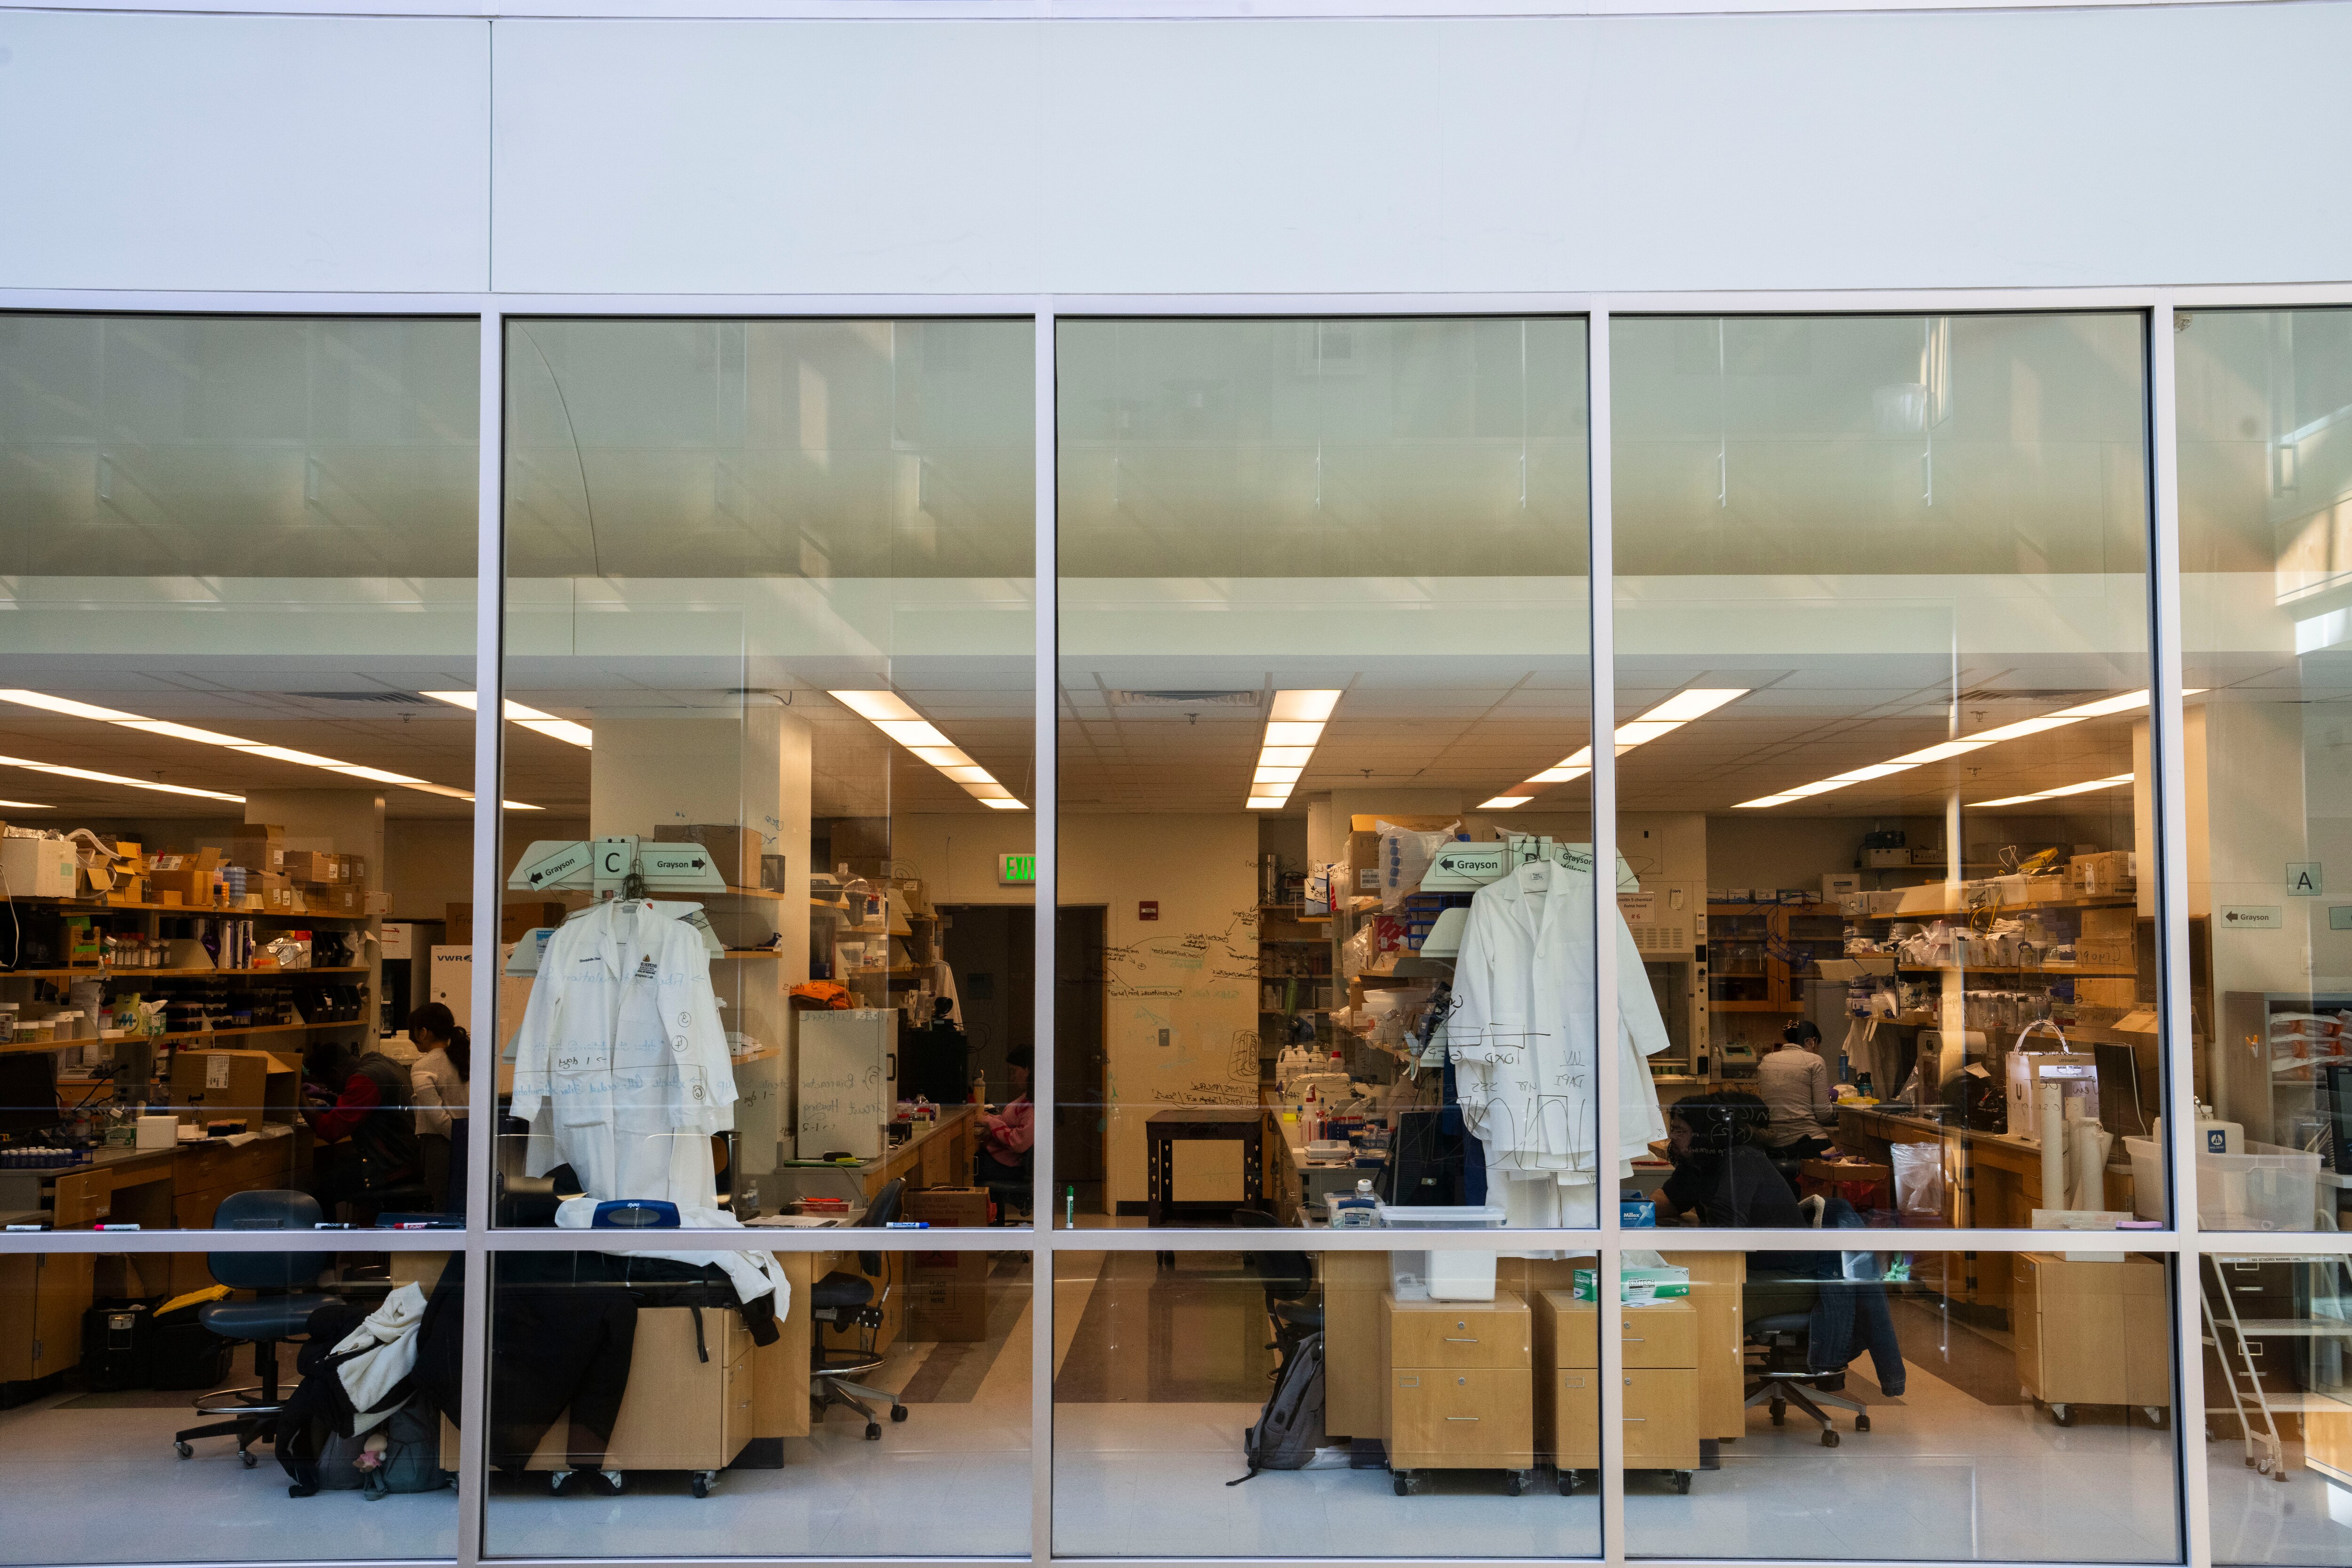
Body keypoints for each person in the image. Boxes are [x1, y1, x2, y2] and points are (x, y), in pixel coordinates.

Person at [303, 1039, 423, 1221]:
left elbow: (330, 1131)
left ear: (334, 1073)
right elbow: (363, 1105)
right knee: (330, 1172)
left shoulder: (364, 1080)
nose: (331, 1087)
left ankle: (326, 1247)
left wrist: (298, 1098)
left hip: (389, 1166)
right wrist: (324, 1095)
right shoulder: (379, 1063)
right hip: (404, 1157)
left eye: (329, 1083)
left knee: (314, 1191)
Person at [1651, 1090, 1804, 1229]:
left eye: (1681, 1131)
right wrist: (1633, 1211)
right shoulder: (1698, 1161)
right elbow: (1671, 1201)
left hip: (1774, 1258)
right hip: (1743, 1255)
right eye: (1673, 1130)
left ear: (1703, 1134)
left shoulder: (1742, 1159)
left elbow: (1727, 1228)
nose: (1672, 1137)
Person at [406, 1002, 471, 1211]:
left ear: (423, 1032)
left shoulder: (422, 1067)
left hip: (442, 1146)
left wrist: (462, 1142)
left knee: (445, 1209)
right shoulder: (464, 1059)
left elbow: (438, 1117)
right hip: (472, 1140)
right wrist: (472, 1143)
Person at [1757, 1020, 1838, 1160]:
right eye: (1817, 1045)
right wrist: (1837, 1114)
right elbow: (1823, 1114)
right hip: (1807, 1143)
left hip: (1773, 1147)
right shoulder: (1815, 1061)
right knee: (1842, 1162)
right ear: (1812, 1041)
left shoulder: (1767, 1060)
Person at [975, 1044, 1035, 1202]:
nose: (1012, 1078)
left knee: (966, 1168)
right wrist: (992, 1119)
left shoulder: (1035, 1107)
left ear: (1028, 1070)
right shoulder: (1027, 1098)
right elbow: (1011, 1122)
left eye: (1014, 1071)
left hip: (1012, 1169)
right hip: (1008, 1163)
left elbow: (1018, 1142)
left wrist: (990, 1122)